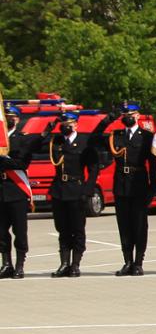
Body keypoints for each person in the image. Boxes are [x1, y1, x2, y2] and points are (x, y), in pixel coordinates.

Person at [33, 111, 100, 277]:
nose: (65, 128)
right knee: (62, 229)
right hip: (59, 190)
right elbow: (34, 146)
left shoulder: (84, 142)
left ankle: (75, 264)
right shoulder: (56, 141)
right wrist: (47, 130)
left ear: (76, 125)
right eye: (63, 125)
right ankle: (64, 264)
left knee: (77, 229)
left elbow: (93, 169)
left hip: (76, 189)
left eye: (68, 125)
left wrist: (88, 191)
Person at [105, 102, 156, 276]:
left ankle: (138, 262)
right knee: (124, 226)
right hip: (121, 186)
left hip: (139, 185)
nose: (127, 117)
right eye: (124, 115)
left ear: (137, 116)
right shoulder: (116, 135)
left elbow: (153, 165)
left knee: (139, 225)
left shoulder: (147, 137)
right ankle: (127, 261)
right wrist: (108, 120)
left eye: (130, 114)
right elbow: (93, 139)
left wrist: (153, 188)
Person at [1, 106, 28, 279]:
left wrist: (3, 160)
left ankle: (19, 265)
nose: (9, 119)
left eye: (12, 116)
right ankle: (6, 264)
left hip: (16, 190)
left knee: (20, 231)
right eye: (7, 116)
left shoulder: (22, 139)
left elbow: (22, 163)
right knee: (1, 231)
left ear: (17, 119)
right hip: (1, 191)